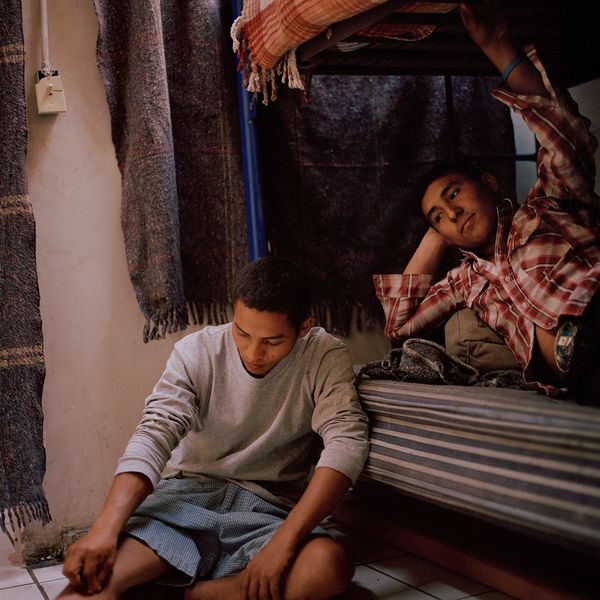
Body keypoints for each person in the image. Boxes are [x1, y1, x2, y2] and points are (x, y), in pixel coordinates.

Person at [58, 256, 369, 600]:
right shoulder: (196, 352)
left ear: (304, 326)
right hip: (184, 502)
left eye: (272, 341)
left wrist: (283, 542)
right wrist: (103, 530)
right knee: (95, 583)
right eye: (242, 333)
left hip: (267, 515)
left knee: (328, 568)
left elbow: (346, 442)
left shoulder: (325, 355)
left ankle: (186, 595)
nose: (253, 352)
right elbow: (154, 433)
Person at [373, 2, 600, 404]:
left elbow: (566, 139)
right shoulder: (464, 283)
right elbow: (397, 325)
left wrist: (499, 48)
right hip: (580, 374)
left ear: (489, 182)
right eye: (438, 215)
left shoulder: (547, 205)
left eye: (454, 193)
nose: (452, 211)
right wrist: (440, 231)